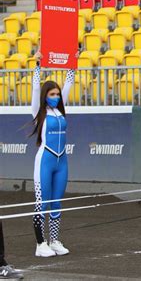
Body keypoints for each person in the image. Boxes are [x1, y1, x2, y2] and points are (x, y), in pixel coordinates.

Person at [31, 52, 75, 257]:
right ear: (45, 96)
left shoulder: (60, 109)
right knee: (42, 203)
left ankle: (54, 240)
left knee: (57, 202)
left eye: (57, 94)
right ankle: (40, 244)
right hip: (45, 162)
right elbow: (35, 87)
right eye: (52, 94)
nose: (56, 97)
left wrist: (73, 63)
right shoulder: (38, 112)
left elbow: (68, 84)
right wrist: (38, 64)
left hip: (62, 161)